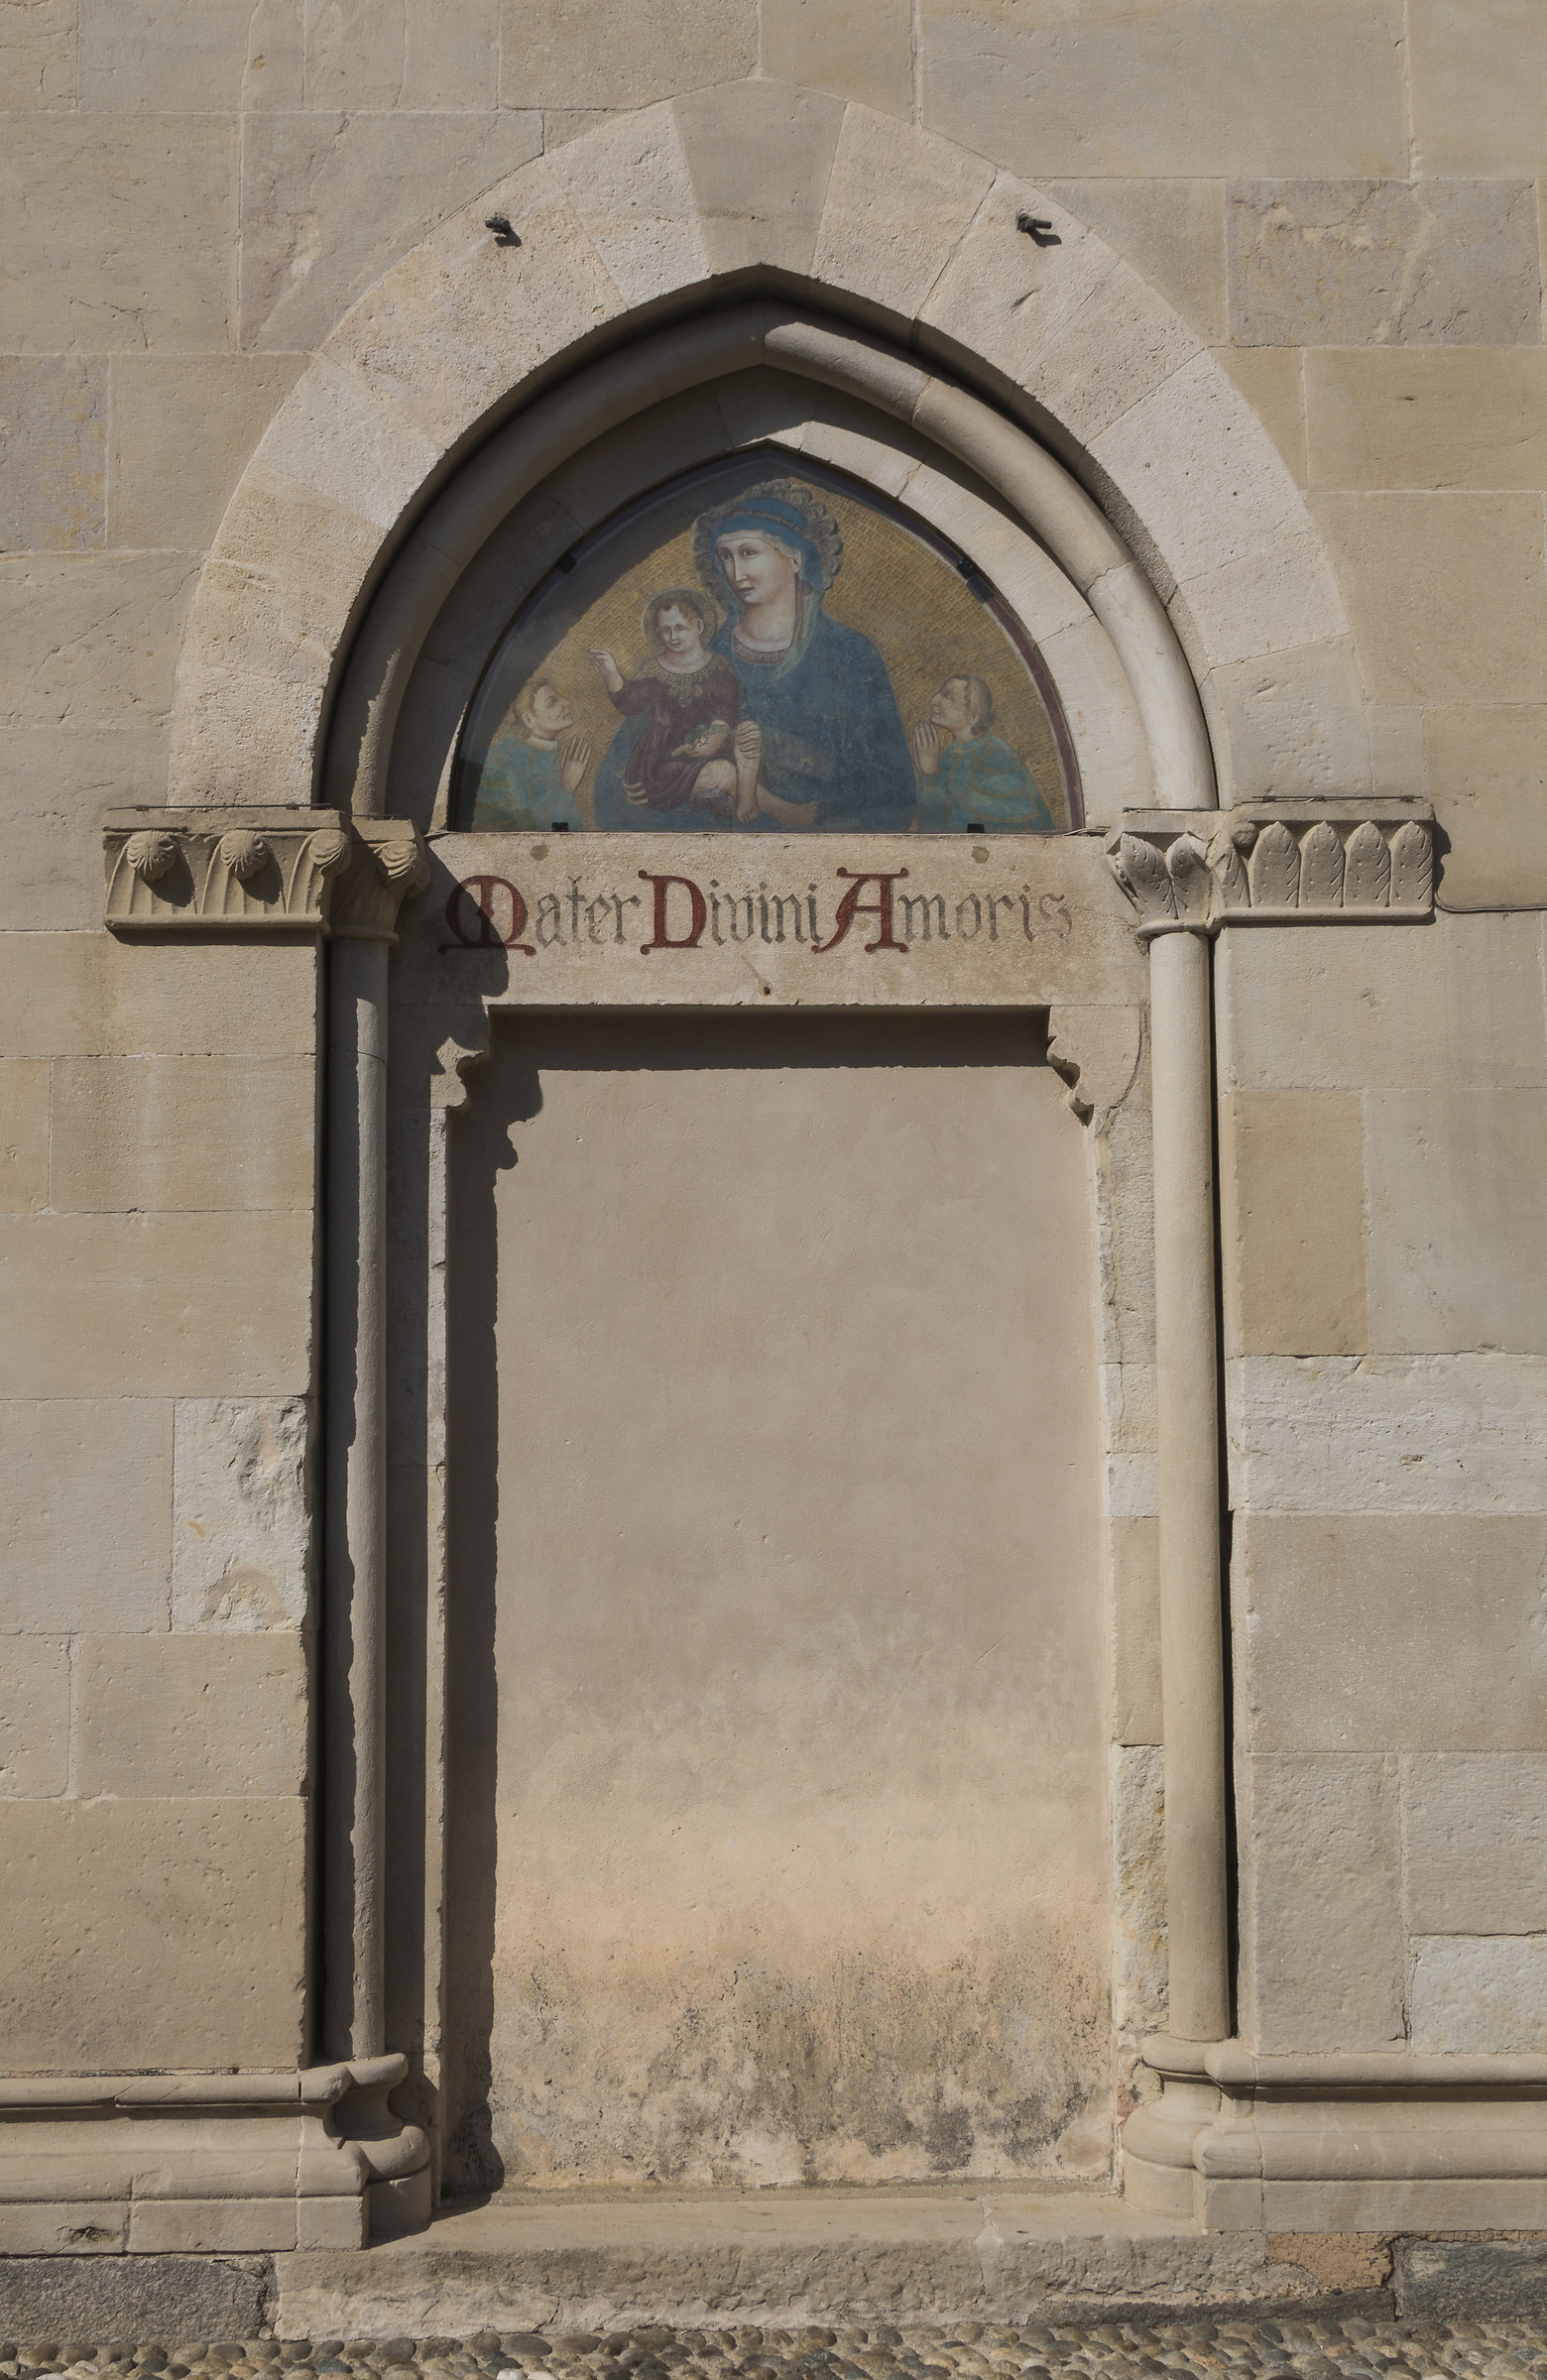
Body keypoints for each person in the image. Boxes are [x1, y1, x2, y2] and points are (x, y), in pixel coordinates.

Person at [592, 479, 915, 832]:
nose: (736, 573)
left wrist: (768, 747)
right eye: (725, 557)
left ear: (794, 556)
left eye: (748, 552)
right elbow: (618, 785)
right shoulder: (702, 659)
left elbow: (892, 792)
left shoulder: (850, 654)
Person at [588, 590, 746, 818]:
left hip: (709, 746)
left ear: (699, 626)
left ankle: (748, 805)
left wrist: (715, 738)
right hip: (661, 759)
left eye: (680, 627)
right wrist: (612, 674)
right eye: (665, 630)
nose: (673, 636)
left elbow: (726, 711)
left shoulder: (718, 666)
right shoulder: (653, 669)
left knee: (734, 765)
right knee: (720, 775)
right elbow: (631, 705)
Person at [910, 674, 1053, 832]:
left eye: (948, 696)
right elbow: (931, 829)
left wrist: (930, 774)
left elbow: (973, 830)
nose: (933, 701)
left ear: (974, 716)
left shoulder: (996, 758)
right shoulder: (951, 754)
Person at [467, 678, 592, 830]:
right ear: (529, 719)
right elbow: (518, 839)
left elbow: (564, 837)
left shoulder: (559, 761)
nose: (566, 702)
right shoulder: (497, 766)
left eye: (560, 697)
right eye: (552, 702)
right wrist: (565, 789)